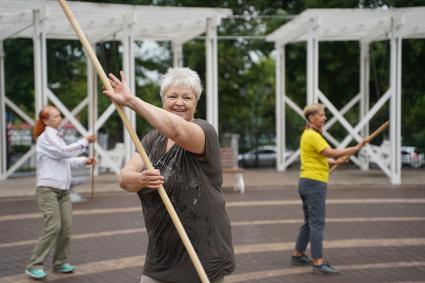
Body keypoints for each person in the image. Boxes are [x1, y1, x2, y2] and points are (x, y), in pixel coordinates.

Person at [103, 68, 235, 283]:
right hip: (161, 251)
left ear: (196, 103)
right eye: (172, 96)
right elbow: (124, 178)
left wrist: (132, 101)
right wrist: (140, 179)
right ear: (163, 101)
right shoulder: (151, 140)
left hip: (202, 249)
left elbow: (178, 131)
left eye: (187, 97)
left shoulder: (204, 131)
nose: (179, 102)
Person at [291, 103, 366, 274]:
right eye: (321, 115)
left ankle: (298, 254)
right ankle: (318, 262)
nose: (324, 118)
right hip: (314, 184)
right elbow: (329, 152)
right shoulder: (313, 135)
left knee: (309, 222)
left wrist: (336, 162)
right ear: (311, 118)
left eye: (324, 115)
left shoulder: (307, 135)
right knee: (317, 223)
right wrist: (355, 148)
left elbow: (320, 157)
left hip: (306, 182)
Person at [25, 106, 96, 280]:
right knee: (53, 227)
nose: (60, 118)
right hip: (48, 189)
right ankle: (34, 264)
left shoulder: (56, 136)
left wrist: (83, 161)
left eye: (60, 115)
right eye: (55, 116)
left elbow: (64, 159)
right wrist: (85, 141)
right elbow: (63, 152)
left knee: (66, 228)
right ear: (45, 120)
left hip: (63, 190)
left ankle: (59, 263)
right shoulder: (46, 136)